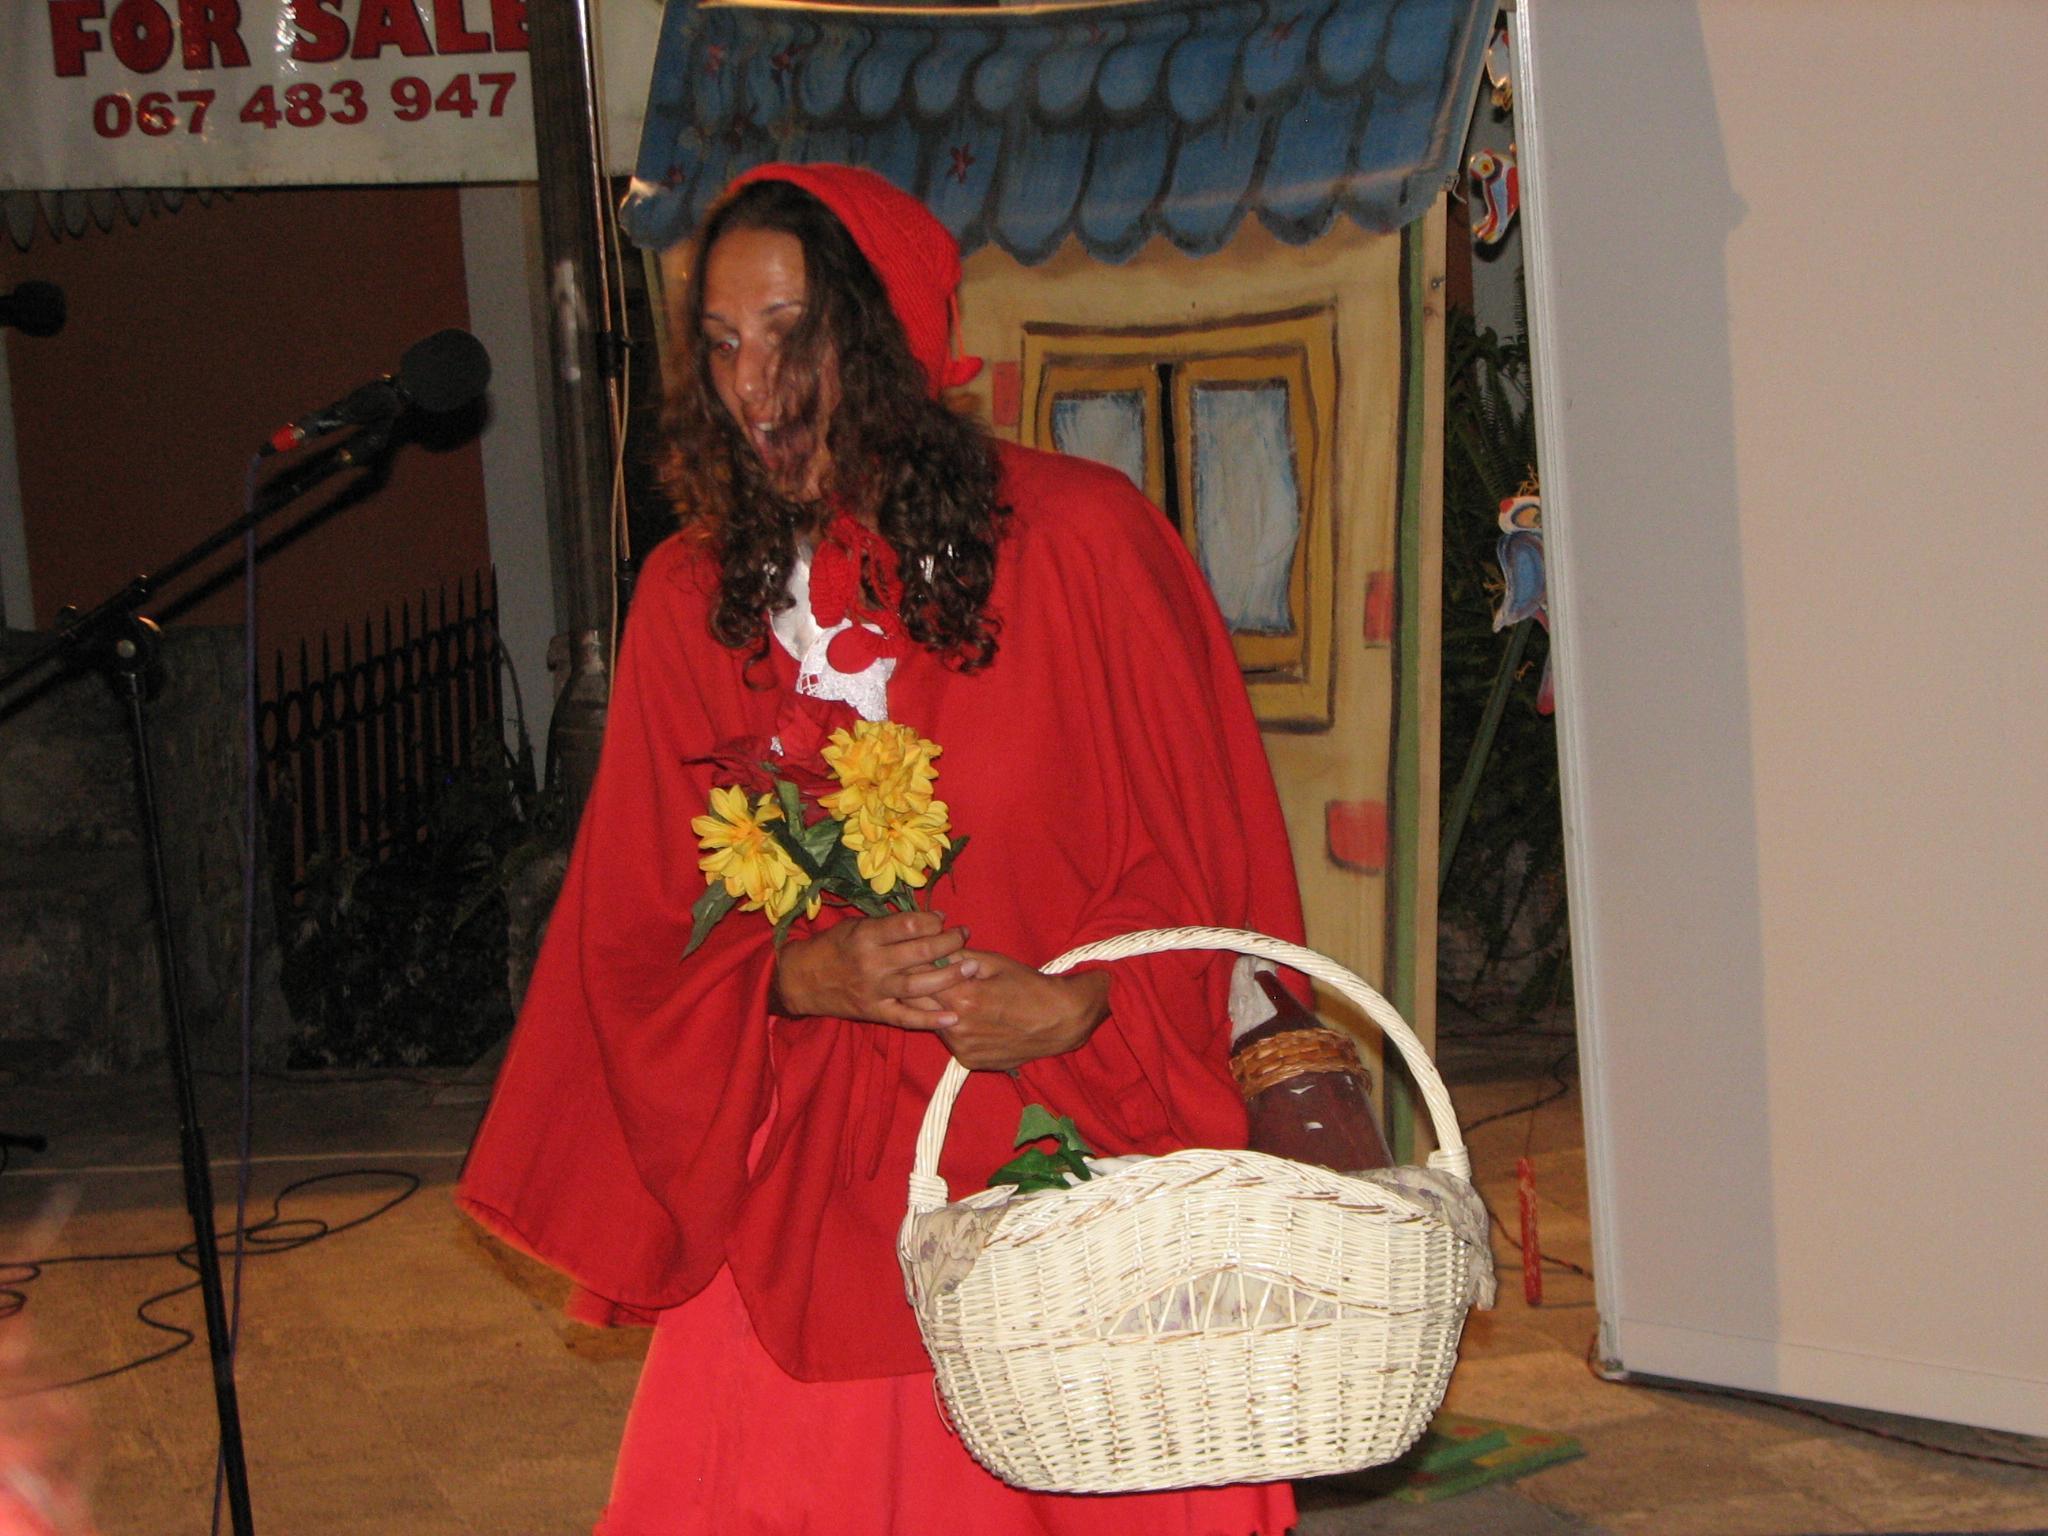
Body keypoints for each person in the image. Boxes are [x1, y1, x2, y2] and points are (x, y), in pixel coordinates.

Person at [457, 163, 1307, 1535]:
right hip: (811, 1191)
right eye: (721, 345)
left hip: (1069, 1150)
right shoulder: (691, 599)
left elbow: (1208, 867)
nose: (754, 385)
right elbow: (638, 923)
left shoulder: (1085, 542)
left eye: (790, 334)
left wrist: (1086, 1002)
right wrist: (799, 979)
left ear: (886, 334)